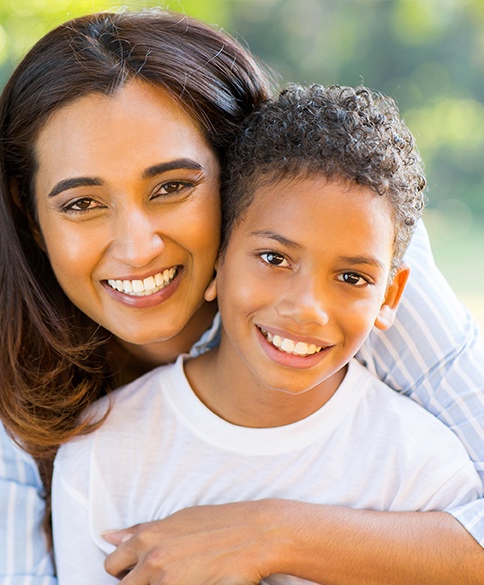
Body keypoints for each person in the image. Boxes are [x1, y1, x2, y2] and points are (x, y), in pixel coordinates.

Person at [0, 8, 482, 585]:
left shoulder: (352, 262)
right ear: (30, 216)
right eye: (81, 203)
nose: (137, 248)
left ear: (239, 174)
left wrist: (273, 534)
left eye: (172, 187)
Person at [51, 82, 483, 585]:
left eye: (352, 278)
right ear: (217, 257)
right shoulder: (103, 451)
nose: (306, 310)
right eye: (275, 259)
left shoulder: (421, 468)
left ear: (389, 296)